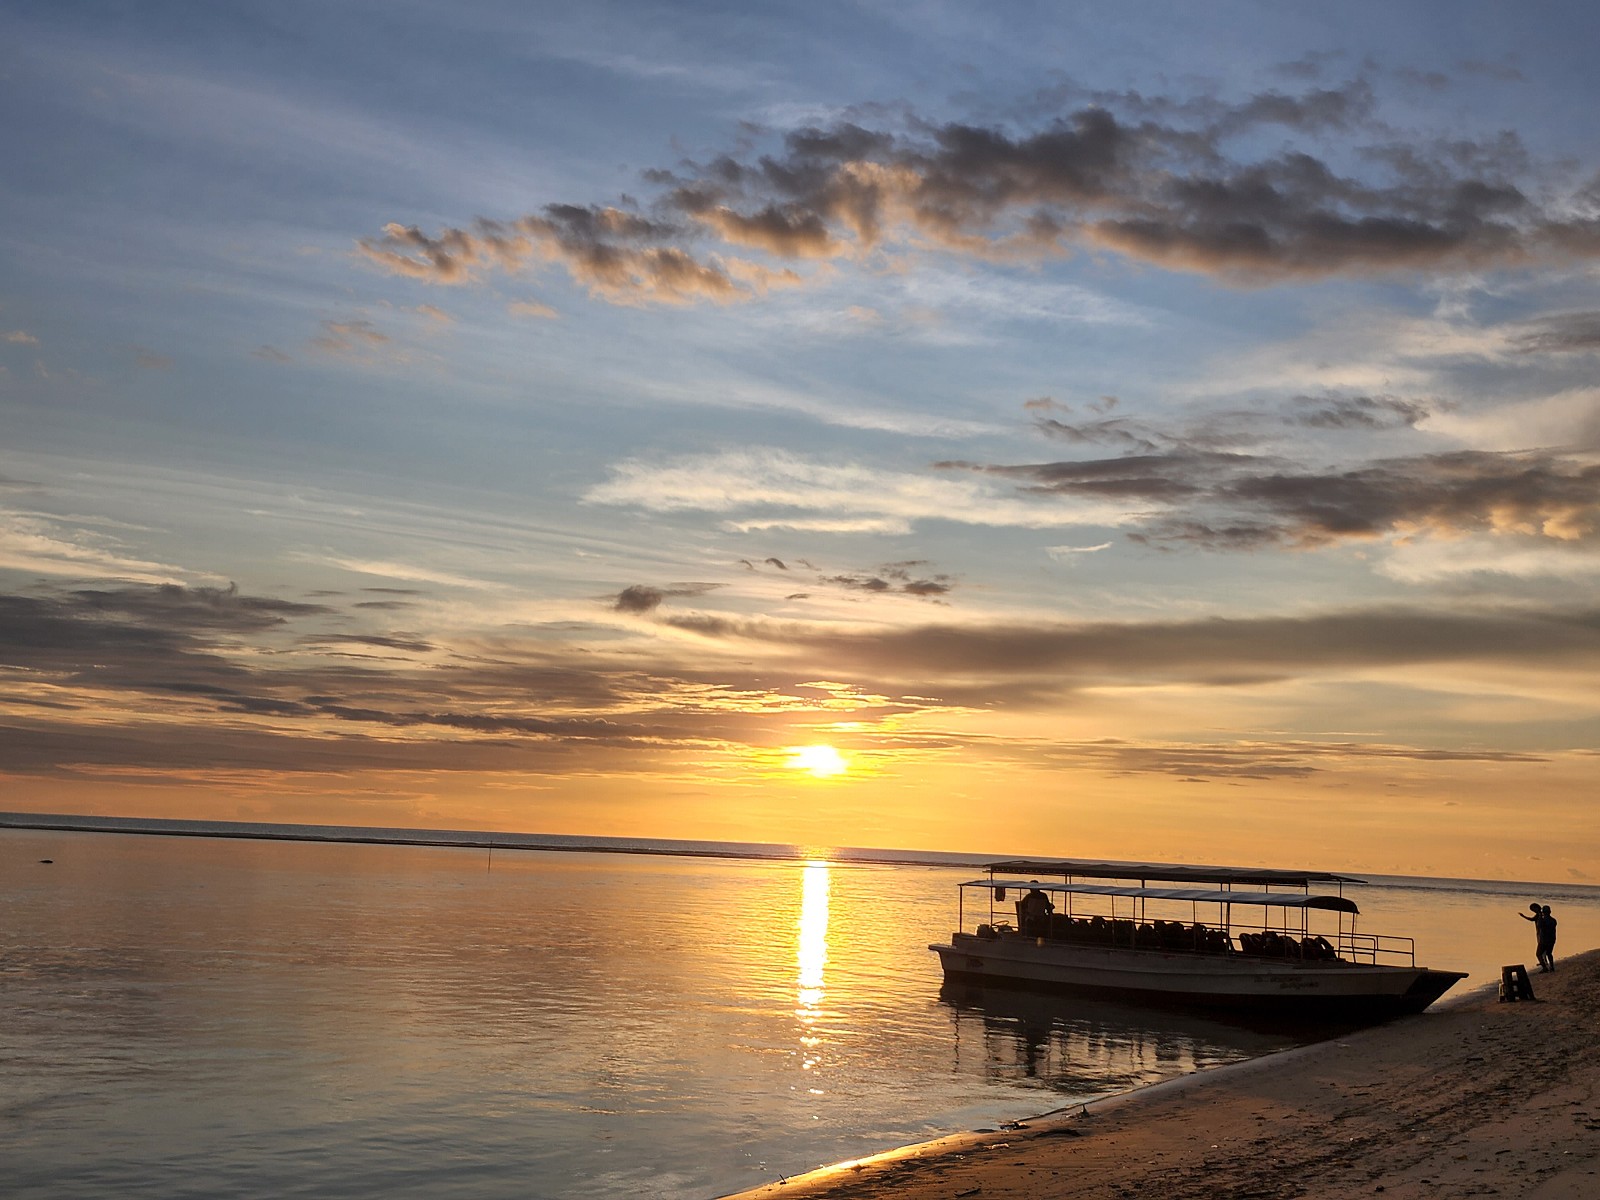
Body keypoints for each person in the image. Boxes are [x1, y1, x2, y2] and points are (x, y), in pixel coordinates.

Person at [1519, 903, 1554, 972]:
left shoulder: (1541, 918)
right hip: (1551, 939)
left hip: (1543, 939)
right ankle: (1551, 966)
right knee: (1548, 953)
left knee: (1539, 954)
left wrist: (1540, 916)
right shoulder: (1553, 920)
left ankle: (1544, 967)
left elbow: (1540, 925)